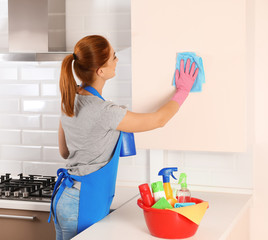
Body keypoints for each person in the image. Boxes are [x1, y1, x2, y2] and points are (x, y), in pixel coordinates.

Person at [49, 35, 199, 240]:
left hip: (65, 198)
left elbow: (65, 152)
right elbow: (159, 120)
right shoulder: (106, 112)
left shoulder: (70, 98)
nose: (117, 60)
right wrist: (183, 90)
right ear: (100, 71)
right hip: (83, 202)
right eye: (113, 57)